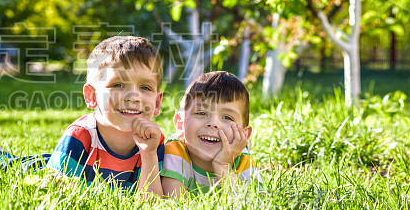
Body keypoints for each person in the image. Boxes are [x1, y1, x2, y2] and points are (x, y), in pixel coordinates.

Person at [45, 36, 166, 196]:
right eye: (118, 85)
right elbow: (53, 194)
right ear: (91, 96)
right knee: (22, 164)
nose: (133, 97)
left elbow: (152, 205)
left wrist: (148, 153)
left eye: (145, 87)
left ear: (157, 103)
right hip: (50, 163)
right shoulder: (81, 135)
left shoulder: (153, 140)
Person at [161, 71, 262, 199]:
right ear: (180, 123)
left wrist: (223, 166)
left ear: (243, 134)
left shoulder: (242, 159)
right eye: (201, 113)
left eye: (227, 117)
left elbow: (256, 206)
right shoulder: (176, 150)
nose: (213, 123)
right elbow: (175, 202)